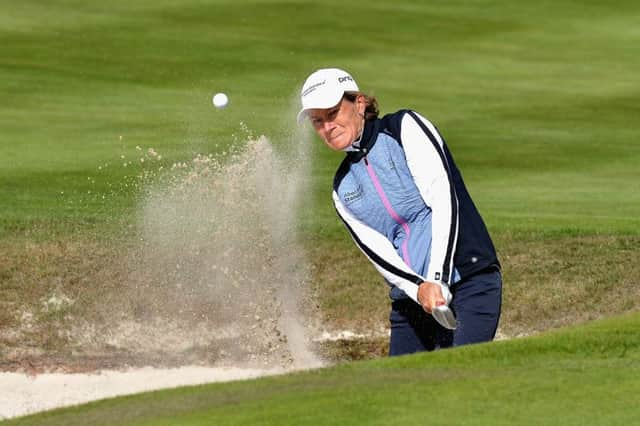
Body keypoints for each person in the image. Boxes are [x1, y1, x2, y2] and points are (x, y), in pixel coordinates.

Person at [297, 68, 502, 356]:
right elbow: (380, 254)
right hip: (412, 302)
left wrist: (437, 278)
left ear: (359, 104)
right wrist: (419, 288)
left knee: (459, 379)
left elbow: (445, 201)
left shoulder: (404, 128)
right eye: (317, 121)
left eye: (332, 114)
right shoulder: (342, 188)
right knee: (401, 392)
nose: (327, 127)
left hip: (469, 279)